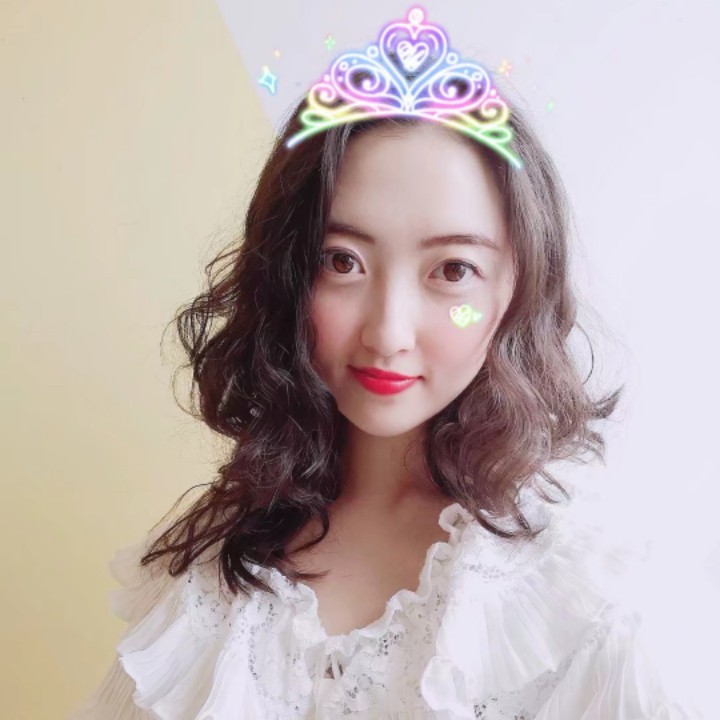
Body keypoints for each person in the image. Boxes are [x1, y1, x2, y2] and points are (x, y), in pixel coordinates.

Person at [68, 7, 706, 719]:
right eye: (342, 261)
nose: (389, 332)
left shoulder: (567, 588)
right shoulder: (216, 564)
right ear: (289, 274)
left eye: (452, 270)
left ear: (516, 290)